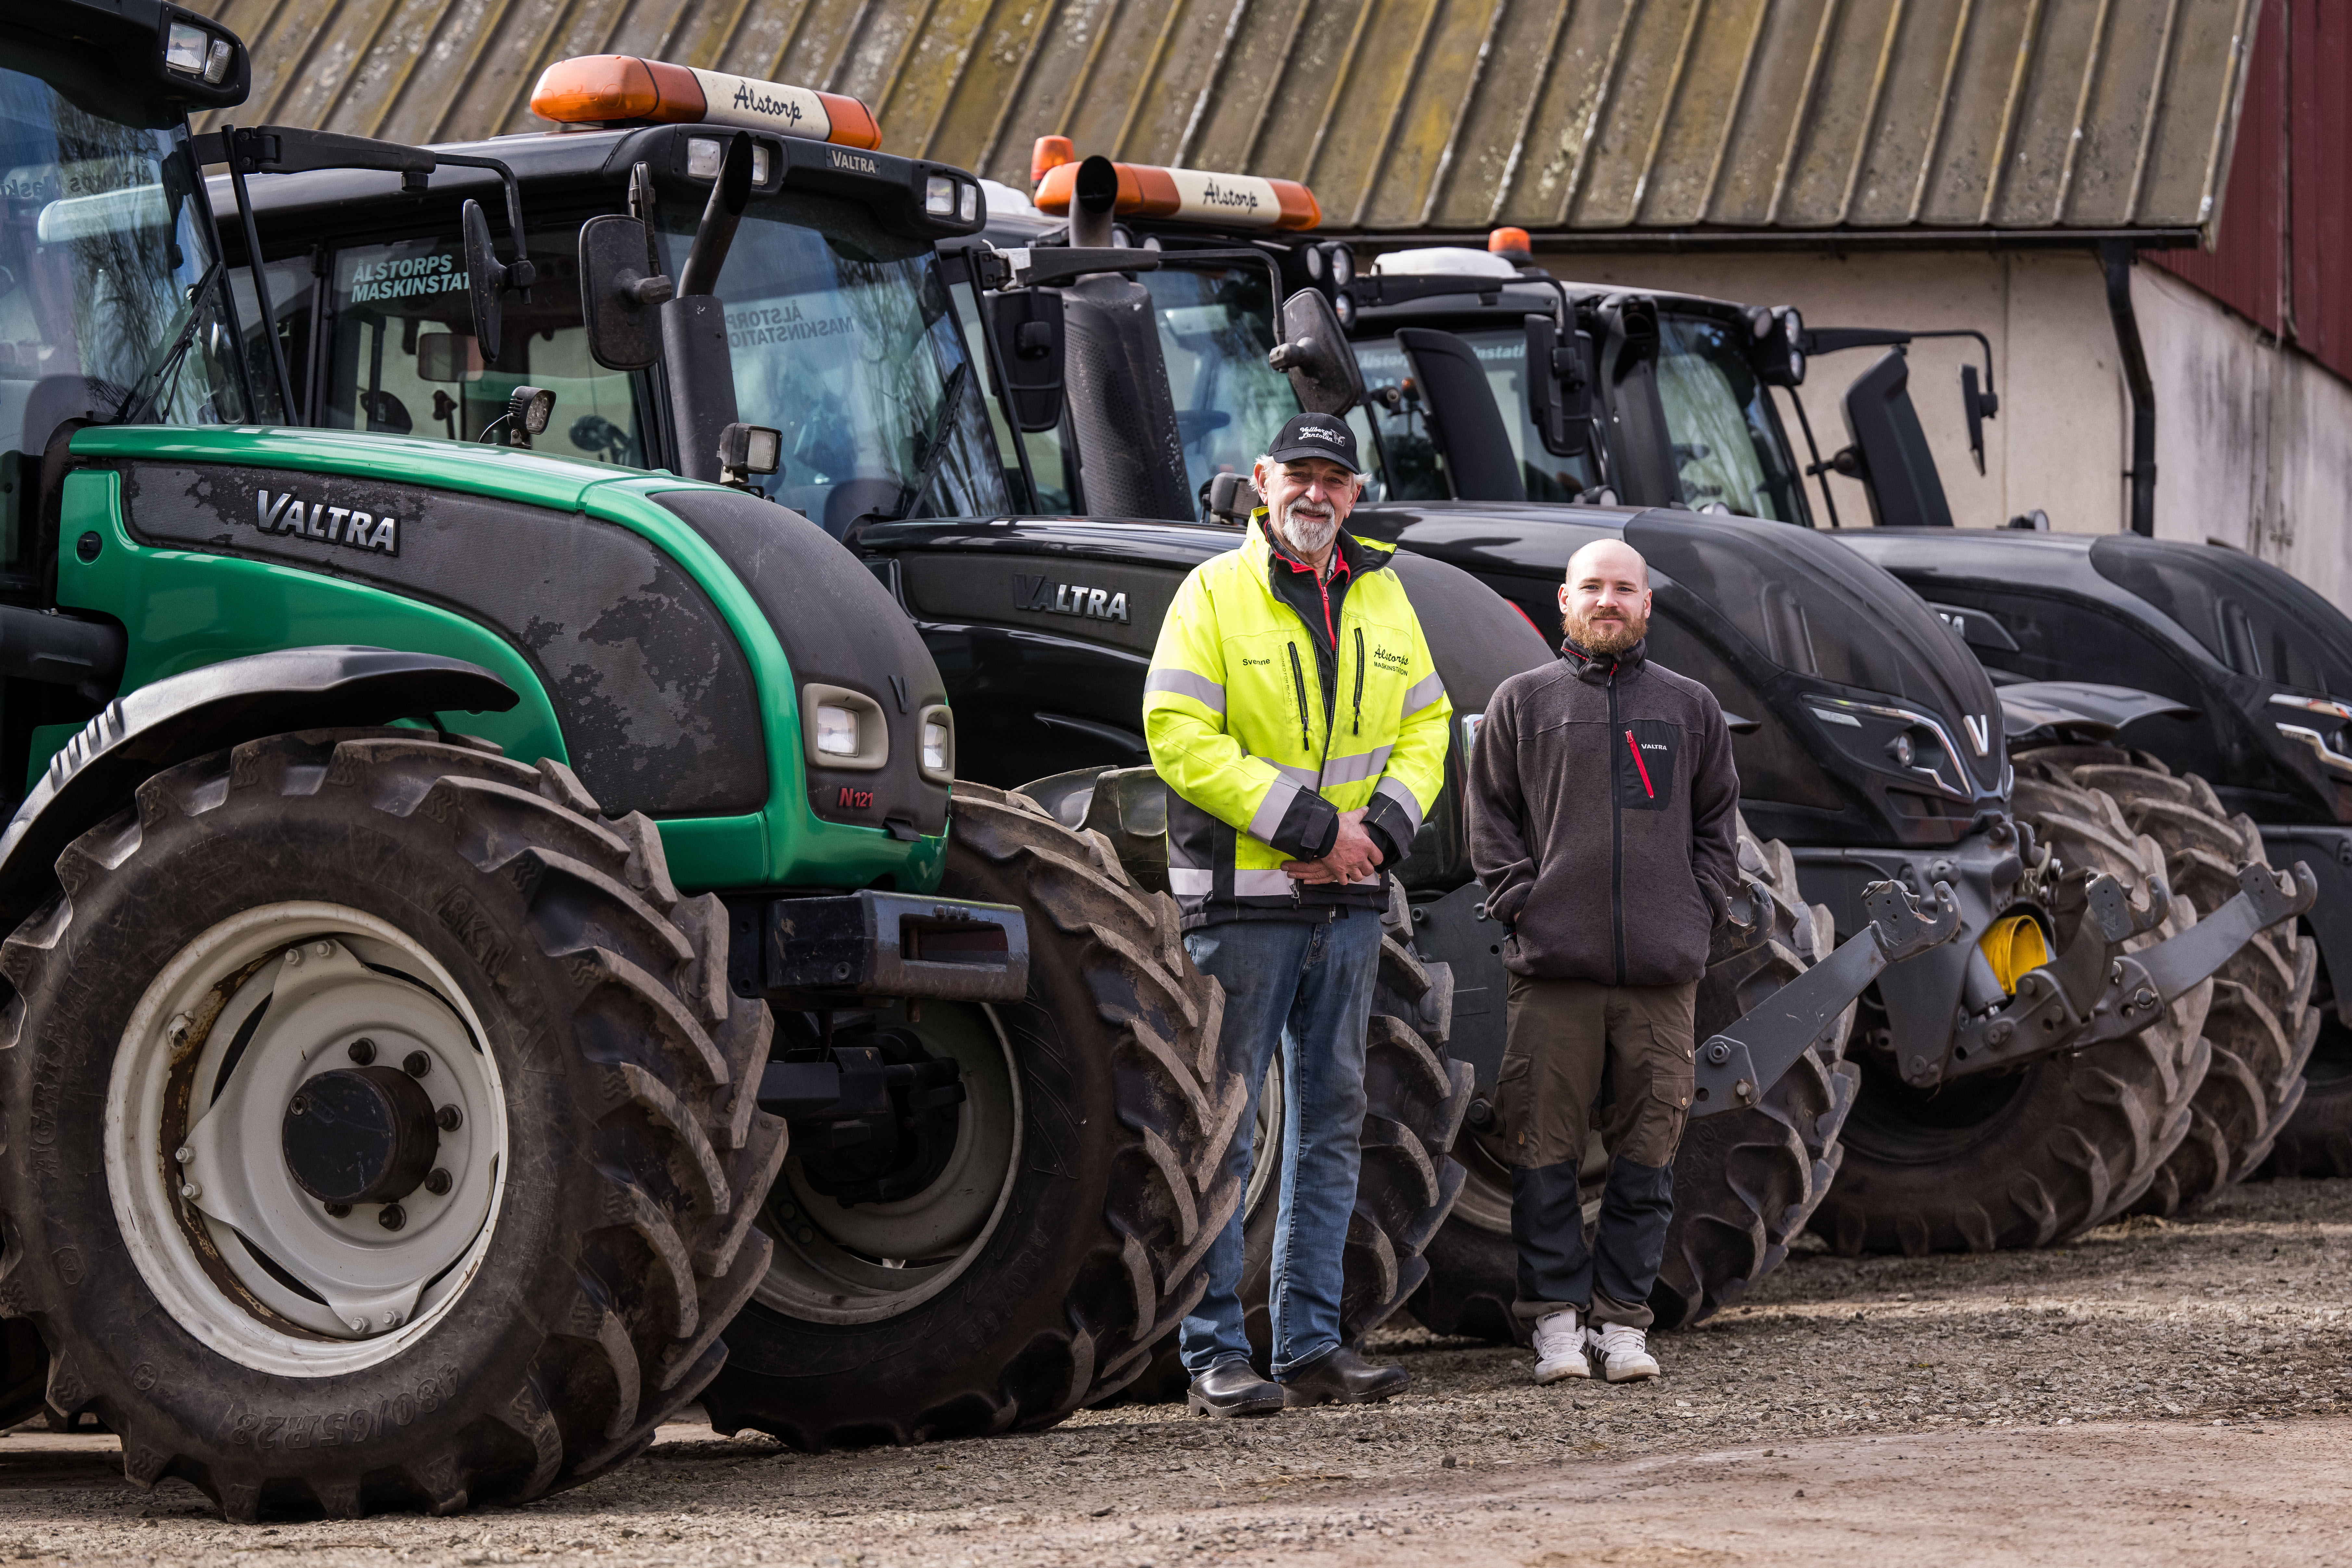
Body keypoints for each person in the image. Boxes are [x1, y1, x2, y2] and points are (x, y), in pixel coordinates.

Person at [1143, 411, 1451, 1416]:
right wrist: (1315, 828)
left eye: (1335, 478)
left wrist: (1380, 837)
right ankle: (1214, 1355)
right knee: (1225, 1134)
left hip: (1352, 904)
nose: (1315, 494)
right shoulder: (1211, 593)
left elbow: (1428, 726)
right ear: (1263, 481)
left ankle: (1312, 1341)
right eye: (1299, 475)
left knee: (1329, 1127)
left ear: (1353, 494)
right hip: (1245, 906)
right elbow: (1176, 732)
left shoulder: (1383, 594)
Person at [1465, 538, 1739, 1385]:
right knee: (1541, 1154)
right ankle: (1553, 1324)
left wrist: (1695, 910)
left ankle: (1621, 1323)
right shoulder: (1522, 703)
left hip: (1660, 977)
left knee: (1646, 1157)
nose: (1608, 600)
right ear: (1564, 599)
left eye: (1624, 588)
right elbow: (1491, 821)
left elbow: (1718, 827)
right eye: (1593, 586)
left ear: (1646, 604)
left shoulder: (1690, 708)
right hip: (1555, 972)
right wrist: (1522, 901)